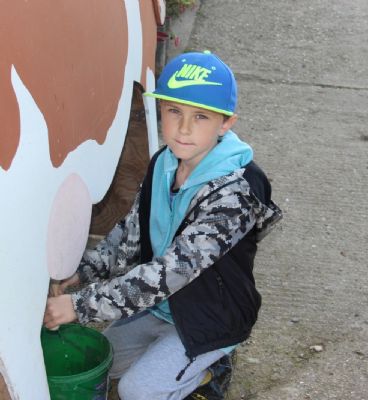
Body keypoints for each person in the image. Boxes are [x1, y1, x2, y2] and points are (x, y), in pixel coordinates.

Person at [44, 50, 282, 400]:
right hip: (160, 305)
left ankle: (211, 368)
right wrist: (83, 272)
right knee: (105, 361)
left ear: (226, 123)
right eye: (174, 111)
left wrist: (80, 306)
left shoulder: (236, 192)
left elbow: (171, 271)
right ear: (161, 111)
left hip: (210, 315)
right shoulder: (163, 162)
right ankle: (180, 363)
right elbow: (130, 234)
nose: (184, 128)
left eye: (200, 116)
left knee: (137, 390)